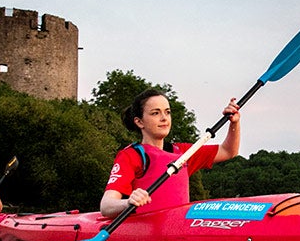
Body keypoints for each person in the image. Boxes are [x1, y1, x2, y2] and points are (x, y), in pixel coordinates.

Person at [100, 89, 240, 217]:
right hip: (146, 235)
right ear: (139, 122)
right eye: (155, 113)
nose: (164, 118)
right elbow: (106, 206)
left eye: (167, 112)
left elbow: (228, 151)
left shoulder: (184, 153)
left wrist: (234, 123)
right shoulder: (132, 155)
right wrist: (128, 202)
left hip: (178, 232)